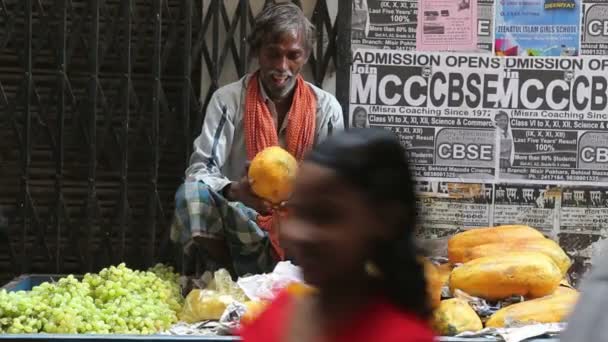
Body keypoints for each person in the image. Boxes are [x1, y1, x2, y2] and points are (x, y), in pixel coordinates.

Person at [170, 3, 344, 277]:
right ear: (256, 52)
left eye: (293, 56)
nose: (281, 67)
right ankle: (231, 275)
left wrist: (301, 197)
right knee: (190, 195)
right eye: (272, 54)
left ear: (306, 56)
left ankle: (302, 277)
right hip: (241, 217)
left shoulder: (327, 109)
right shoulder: (228, 100)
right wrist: (236, 192)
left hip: (300, 225)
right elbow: (199, 170)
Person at [240, 129, 435, 342]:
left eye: (325, 215)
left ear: (384, 220)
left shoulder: (404, 336)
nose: (300, 233)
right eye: (297, 212)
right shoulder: (276, 316)